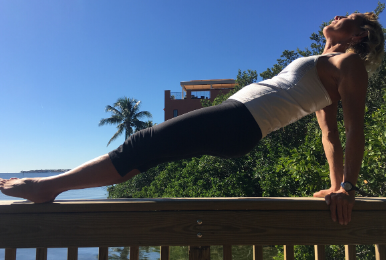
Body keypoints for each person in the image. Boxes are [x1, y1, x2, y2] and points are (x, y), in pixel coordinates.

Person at [1, 12, 384, 226]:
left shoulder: (348, 63)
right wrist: (336, 186)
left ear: (359, 35)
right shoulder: (325, 65)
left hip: (240, 120)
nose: (338, 14)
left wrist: (346, 187)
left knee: (143, 144)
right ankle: (51, 186)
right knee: (147, 151)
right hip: (239, 122)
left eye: (349, 16)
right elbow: (327, 133)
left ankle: (48, 187)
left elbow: (350, 129)